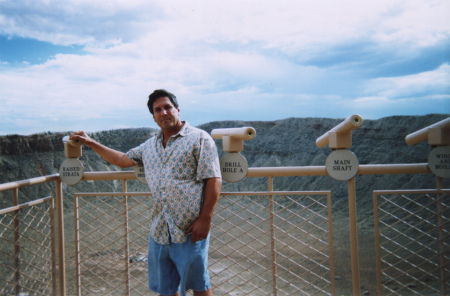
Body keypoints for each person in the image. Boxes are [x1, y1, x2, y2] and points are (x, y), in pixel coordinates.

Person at [70, 89, 222, 296]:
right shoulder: (150, 146)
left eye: (167, 107)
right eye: (157, 110)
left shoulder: (199, 139)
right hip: (160, 228)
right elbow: (123, 160)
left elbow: (213, 178)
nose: (163, 112)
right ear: (153, 117)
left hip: (189, 229)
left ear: (177, 109)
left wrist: (205, 218)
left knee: (199, 285)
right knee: (166, 288)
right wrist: (90, 142)